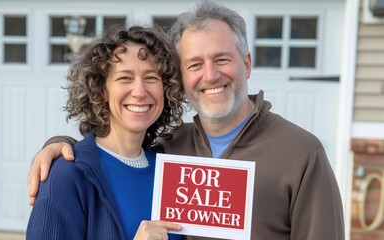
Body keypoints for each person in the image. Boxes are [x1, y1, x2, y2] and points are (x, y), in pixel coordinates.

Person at [28, 1, 345, 239]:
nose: (210, 75)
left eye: (222, 59)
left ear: (246, 64)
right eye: (195, 64)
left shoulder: (301, 153)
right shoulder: (172, 148)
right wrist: (60, 146)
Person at [26, 25, 185, 240]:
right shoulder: (66, 176)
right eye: (125, 78)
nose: (139, 92)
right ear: (102, 91)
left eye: (151, 78)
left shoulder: (175, 172)